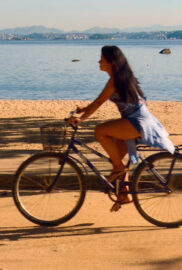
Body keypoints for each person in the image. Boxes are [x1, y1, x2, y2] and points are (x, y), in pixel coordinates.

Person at [68, 45, 174, 206]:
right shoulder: (121, 76)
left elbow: (99, 102)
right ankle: (125, 194)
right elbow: (98, 102)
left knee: (100, 131)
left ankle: (118, 169)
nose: (99, 62)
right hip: (140, 119)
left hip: (137, 122)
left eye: (102, 59)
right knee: (116, 156)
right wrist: (84, 110)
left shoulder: (115, 80)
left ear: (111, 63)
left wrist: (81, 120)